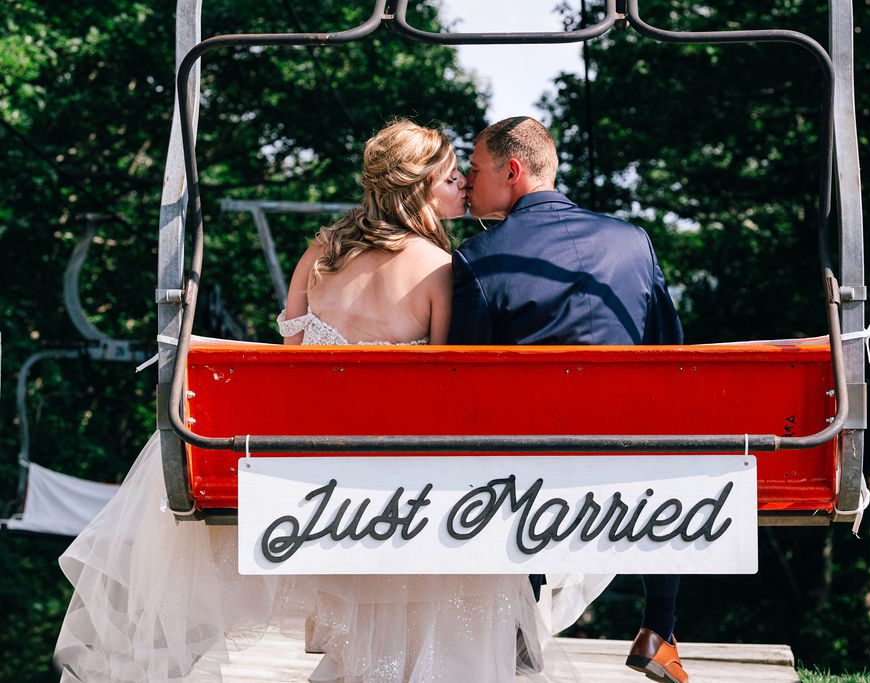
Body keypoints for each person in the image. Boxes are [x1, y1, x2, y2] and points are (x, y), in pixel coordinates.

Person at [53, 120, 582, 683]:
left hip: (316, 471)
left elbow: (293, 360)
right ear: (424, 187)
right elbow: (445, 385)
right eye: (453, 178)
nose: (463, 188)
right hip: (401, 483)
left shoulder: (322, 252)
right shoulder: (440, 269)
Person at [449, 116, 689, 683]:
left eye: (475, 170)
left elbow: (460, 377)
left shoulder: (479, 258)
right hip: (630, 457)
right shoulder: (633, 241)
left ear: (512, 171)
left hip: (529, 465)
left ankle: (523, 626)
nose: (466, 183)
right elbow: (671, 350)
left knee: (509, 445)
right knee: (673, 448)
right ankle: (660, 631)